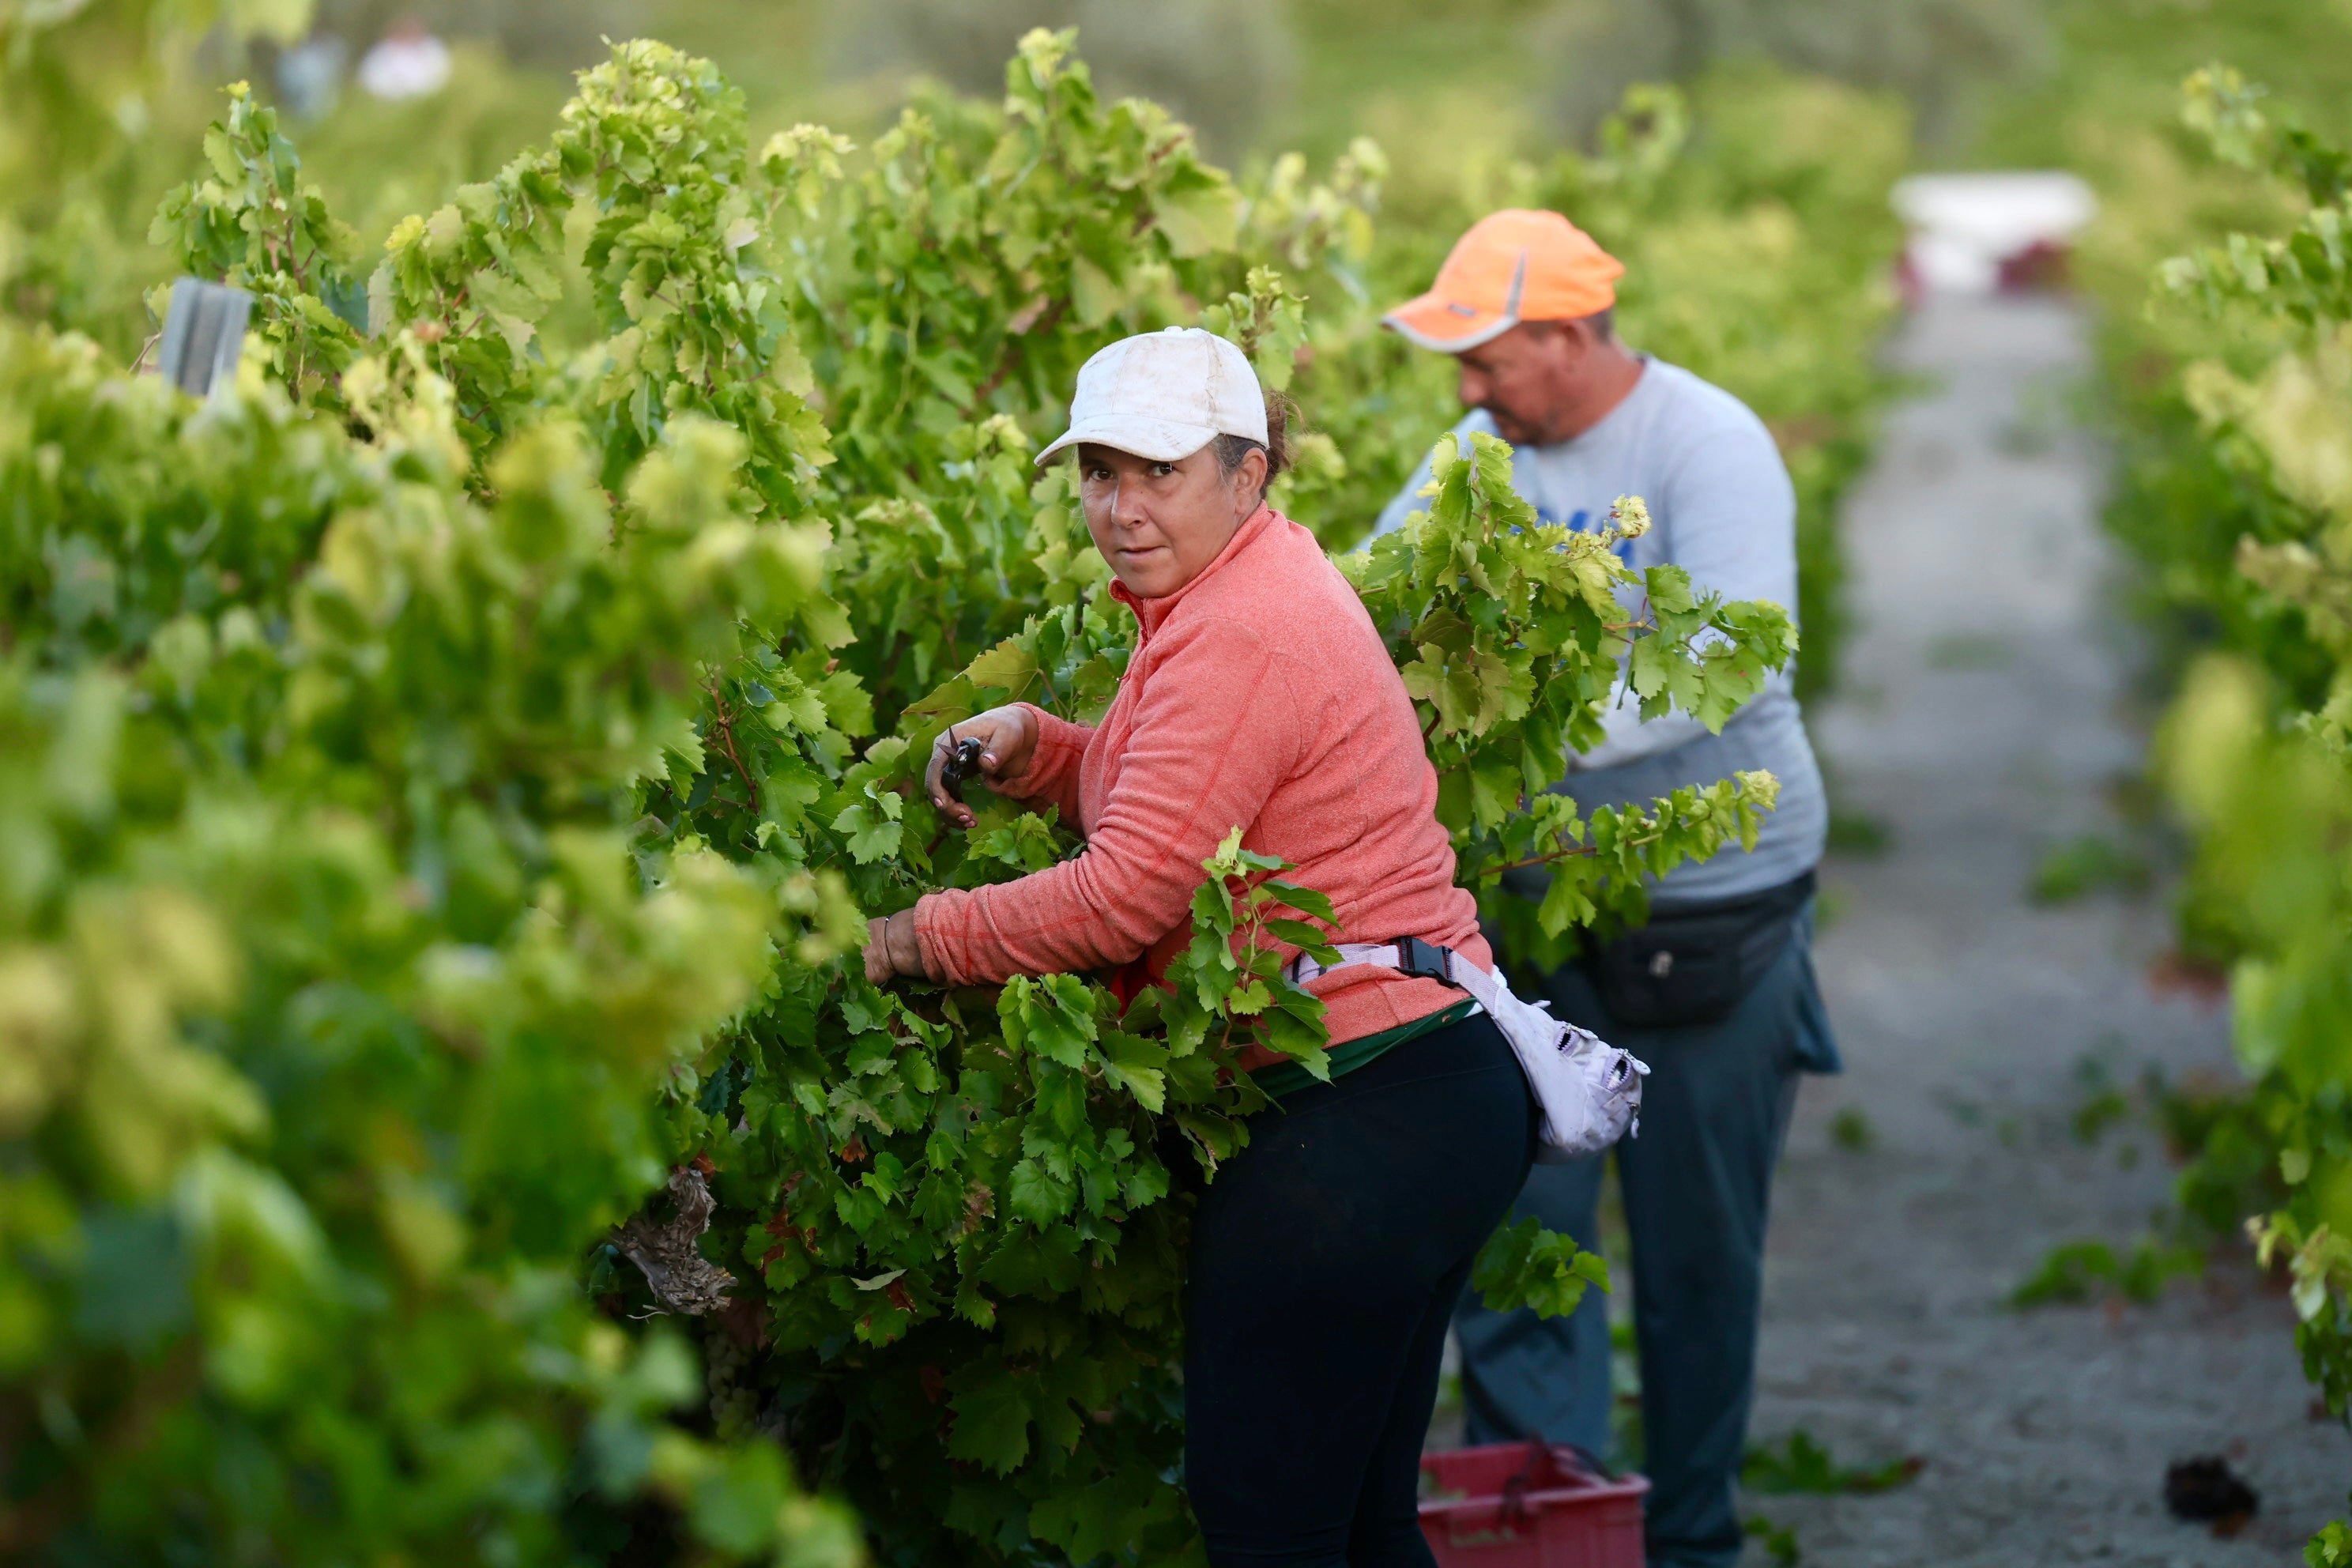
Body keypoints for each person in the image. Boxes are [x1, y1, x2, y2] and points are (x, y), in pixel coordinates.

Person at [863, 326, 1536, 1568]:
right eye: (1099, 473)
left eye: (1157, 472)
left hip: (1361, 1116)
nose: (1120, 509)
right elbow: (1187, 806)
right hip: (1423, 1094)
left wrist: (912, 940)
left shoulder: (1241, 627)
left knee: (1268, 1530)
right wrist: (1043, 747)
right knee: (1360, 1528)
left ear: (1250, 470)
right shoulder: (1227, 593)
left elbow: (1127, 897)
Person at [1374, 210, 1841, 1568]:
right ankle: (1556, 1538)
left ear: (1568, 338)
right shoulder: (1476, 456)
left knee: (1698, 1261)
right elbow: (1375, 600)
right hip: (1531, 912)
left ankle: (1694, 1540)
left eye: (1485, 358)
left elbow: (1729, 663)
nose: (1463, 389)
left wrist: (1503, 736)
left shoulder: (1708, 444)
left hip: (1716, 912)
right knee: (1518, 1249)